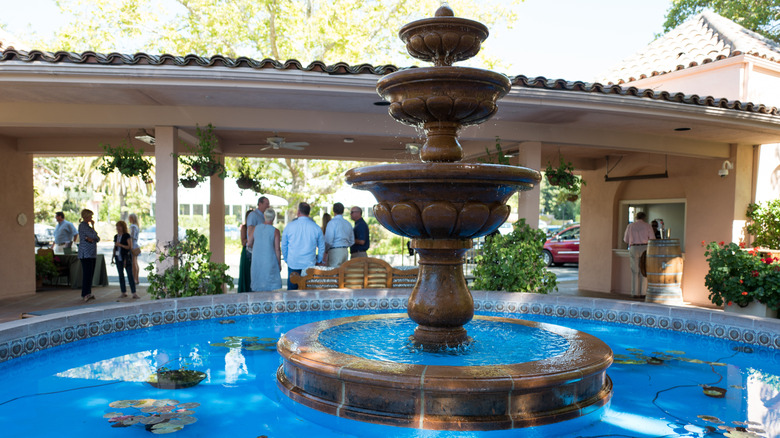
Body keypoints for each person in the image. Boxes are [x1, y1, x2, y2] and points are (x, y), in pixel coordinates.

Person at [281, 202, 325, 290]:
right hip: (309, 263)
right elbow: (321, 246)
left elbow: (284, 245)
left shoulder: (289, 226)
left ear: (298, 212)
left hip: (293, 262)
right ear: (309, 212)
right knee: (308, 292)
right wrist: (319, 260)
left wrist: (286, 259)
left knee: (292, 293)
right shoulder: (316, 227)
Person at [624, 211, 656, 298]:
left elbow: (625, 239)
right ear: (644, 218)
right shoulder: (647, 226)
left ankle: (634, 293)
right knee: (643, 270)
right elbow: (652, 239)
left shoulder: (630, 226)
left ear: (636, 217)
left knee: (635, 271)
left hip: (634, 247)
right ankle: (643, 293)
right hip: (645, 248)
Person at [251, 208, 283, 292]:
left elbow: (249, 243)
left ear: (264, 216)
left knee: (258, 282)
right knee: (270, 285)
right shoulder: (275, 231)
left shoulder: (255, 228)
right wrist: (279, 263)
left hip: (257, 259)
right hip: (269, 259)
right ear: (274, 218)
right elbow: (277, 249)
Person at [77, 209, 100, 302]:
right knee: (87, 273)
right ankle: (85, 293)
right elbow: (91, 236)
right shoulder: (82, 226)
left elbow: (96, 237)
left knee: (90, 273)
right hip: (86, 254)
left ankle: (88, 292)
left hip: (92, 253)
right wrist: (91, 238)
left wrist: (93, 228)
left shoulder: (88, 226)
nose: (91, 218)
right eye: (90, 216)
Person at [113, 220, 138, 299]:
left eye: (119, 226)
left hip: (126, 258)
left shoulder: (127, 236)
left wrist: (120, 245)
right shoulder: (116, 236)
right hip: (118, 257)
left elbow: (129, 247)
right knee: (121, 275)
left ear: (123, 227)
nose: (118, 228)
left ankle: (134, 292)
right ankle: (123, 292)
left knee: (130, 275)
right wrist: (113, 256)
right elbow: (115, 247)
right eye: (117, 226)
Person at [324, 202, 354, 267]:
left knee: (334, 271)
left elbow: (329, 240)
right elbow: (352, 241)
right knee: (343, 271)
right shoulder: (348, 223)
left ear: (333, 211)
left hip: (335, 251)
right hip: (345, 251)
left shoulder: (332, 223)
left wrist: (325, 250)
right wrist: (344, 244)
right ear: (343, 211)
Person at [237, 209, 254, 292]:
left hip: (255, 252)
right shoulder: (244, 227)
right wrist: (250, 239)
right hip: (246, 251)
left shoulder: (255, 227)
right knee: (246, 271)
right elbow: (243, 242)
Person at [127, 213, 141, 284]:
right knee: (136, 263)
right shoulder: (136, 226)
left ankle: (134, 279)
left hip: (133, 245)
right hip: (136, 245)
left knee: (133, 263)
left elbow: (131, 237)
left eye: (129, 218)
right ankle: (137, 279)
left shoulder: (132, 226)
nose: (129, 219)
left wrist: (130, 245)